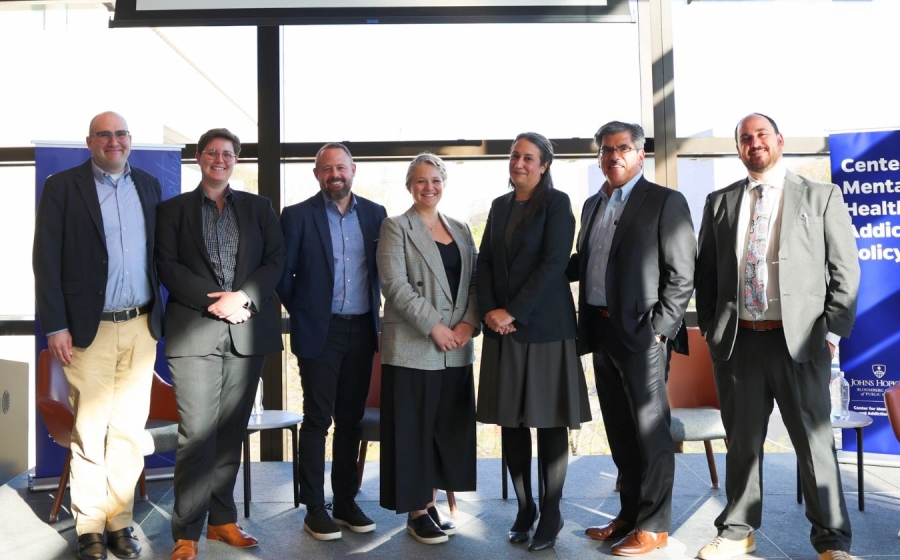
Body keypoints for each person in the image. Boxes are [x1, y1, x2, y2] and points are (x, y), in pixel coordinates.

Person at [694, 113, 860, 560]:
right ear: (739, 149)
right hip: (739, 344)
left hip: (802, 343)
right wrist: (713, 334)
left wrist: (832, 335)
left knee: (814, 444)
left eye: (761, 135)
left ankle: (832, 543)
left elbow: (845, 272)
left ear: (780, 141)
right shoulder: (719, 201)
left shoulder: (821, 196)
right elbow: (705, 276)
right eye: (745, 138)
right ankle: (736, 531)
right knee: (742, 443)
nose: (754, 143)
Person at [33, 111, 163, 560]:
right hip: (87, 329)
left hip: (142, 326)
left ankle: (120, 522)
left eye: (121, 134)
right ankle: (89, 526)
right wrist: (55, 324)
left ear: (131, 139)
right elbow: (45, 260)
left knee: (127, 432)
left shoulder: (147, 185)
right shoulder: (62, 187)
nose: (114, 141)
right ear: (89, 142)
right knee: (90, 430)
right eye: (104, 135)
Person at [155, 128, 285, 560]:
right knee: (197, 434)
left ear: (236, 160)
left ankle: (222, 521)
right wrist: (217, 304)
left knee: (231, 432)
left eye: (227, 154)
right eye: (212, 152)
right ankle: (186, 531)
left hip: (247, 332)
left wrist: (243, 296)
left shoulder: (259, 208)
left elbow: (275, 261)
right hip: (193, 334)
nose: (219, 159)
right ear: (198, 158)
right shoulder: (172, 209)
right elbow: (167, 266)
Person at [571, 121, 695, 556]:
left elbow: (682, 275)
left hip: (644, 335)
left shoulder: (664, 201)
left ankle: (655, 526)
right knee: (620, 431)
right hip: (601, 330)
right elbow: (584, 263)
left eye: (623, 148)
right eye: (606, 150)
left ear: (641, 155)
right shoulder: (592, 205)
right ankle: (628, 515)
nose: (614, 156)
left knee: (651, 432)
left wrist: (660, 330)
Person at [476, 131, 591, 552]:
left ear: (544, 165)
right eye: (514, 156)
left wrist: (514, 312)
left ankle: (552, 510)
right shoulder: (499, 206)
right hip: (502, 329)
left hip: (545, 329)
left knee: (549, 422)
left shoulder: (557, 205)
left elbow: (554, 264)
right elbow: (485, 261)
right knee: (511, 422)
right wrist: (491, 312)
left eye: (528, 158)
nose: (519, 163)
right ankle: (525, 508)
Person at [277, 142, 387, 541]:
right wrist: (305, 311)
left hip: (362, 330)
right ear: (317, 174)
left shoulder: (375, 215)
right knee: (318, 419)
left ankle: (344, 502)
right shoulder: (297, 216)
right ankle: (314, 508)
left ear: (353, 170)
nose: (334, 174)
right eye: (326, 168)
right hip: (319, 332)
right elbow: (280, 274)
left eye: (340, 167)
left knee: (351, 421)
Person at [376, 153, 479, 545]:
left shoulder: (462, 229)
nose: (428, 187)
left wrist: (467, 323)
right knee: (414, 429)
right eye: (420, 181)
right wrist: (435, 327)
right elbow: (395, 285)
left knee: (444, 429)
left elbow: (475, 283)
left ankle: (432, 503)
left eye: (435, 180)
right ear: (409, 186)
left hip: (457, 346)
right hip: (415, 345)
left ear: (443, 184)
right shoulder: (395, 226)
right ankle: (417, 511)